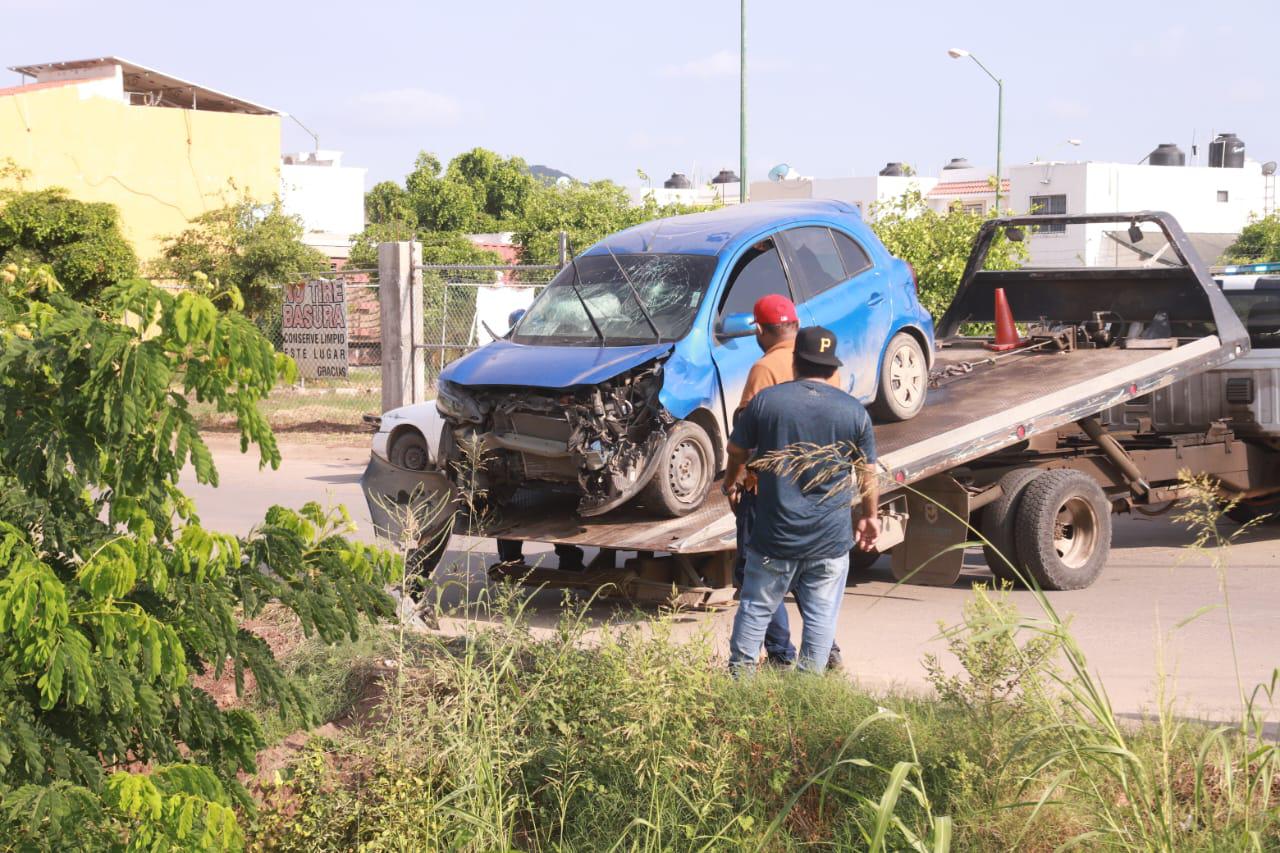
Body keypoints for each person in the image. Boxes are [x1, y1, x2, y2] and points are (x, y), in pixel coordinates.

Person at [725, 326, 879, 674]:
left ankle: (739, 683)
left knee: (755, 608)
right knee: (822, 616)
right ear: (832, 367)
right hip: (829, 539)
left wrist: (731, 478)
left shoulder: (768, 401)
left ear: (795, 362)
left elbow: (735, 449)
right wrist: (870, 516)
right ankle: (808, 691)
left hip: (774, 537)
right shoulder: (854, 411)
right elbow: (867, 473)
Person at [731, 294, 843, 667]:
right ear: (794, 324)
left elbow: (744, 436)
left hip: (770, 492)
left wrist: (736, 480)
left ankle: (779, 657)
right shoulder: (829, 369)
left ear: (760, 330)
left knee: (760, 579)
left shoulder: (764, 368)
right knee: (815, 580)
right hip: (819, 491)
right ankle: (827, 655)